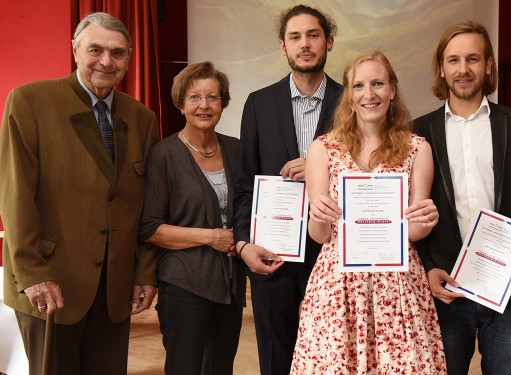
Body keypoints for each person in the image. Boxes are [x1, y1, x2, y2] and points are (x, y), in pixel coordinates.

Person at [0, 12, 158, 375]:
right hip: (50, 285)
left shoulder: (141, 118)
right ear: (75, 50)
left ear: (129, 59)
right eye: (96, 50)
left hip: (114, 292)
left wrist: (145, 273)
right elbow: (15, 194)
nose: (106, 61)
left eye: (118, 53)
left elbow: (147, 204)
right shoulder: (29, 102)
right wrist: (32, 274)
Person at [290, 50, 446, 374]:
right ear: (349, 94)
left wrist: (424, 221)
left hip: (398, 285)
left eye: (378, 83)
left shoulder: (417, 148)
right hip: (337, 286)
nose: (369, 94)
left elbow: (414, 232)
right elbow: (320, 237)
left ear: (392, 90)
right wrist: (318, 215)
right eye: (359, 86)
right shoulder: (323, 148)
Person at [413, 21, 511, 375]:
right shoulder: (419, 132)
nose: (464, 69)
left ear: (488, 65)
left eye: (473, 59)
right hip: (446, 285)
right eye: (454, 60)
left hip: (508, 285)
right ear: (442, 69)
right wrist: (428, 267)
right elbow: (412, 211)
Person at [233, 5, 343, 374]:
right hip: (273, 253)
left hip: (334, 253)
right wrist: (244, 243)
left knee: (332, 357)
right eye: (295, 37)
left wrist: (318, 175)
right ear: (283, 46)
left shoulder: (352, 104)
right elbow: (245, 184)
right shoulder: (259, 103)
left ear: (328, 41)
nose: (305, 44)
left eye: (313, 35)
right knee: (276, 360)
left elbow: (369, 180)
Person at [139, 61, 244, 374]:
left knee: (220, 368)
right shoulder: (163, 156)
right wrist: (211, 237)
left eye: (213, 97)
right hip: (183, 285)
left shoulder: (237, 149)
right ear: (180, 103)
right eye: (195, 97)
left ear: (223, 103)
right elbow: (149, 228)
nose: (204, 105)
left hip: (230, 286)